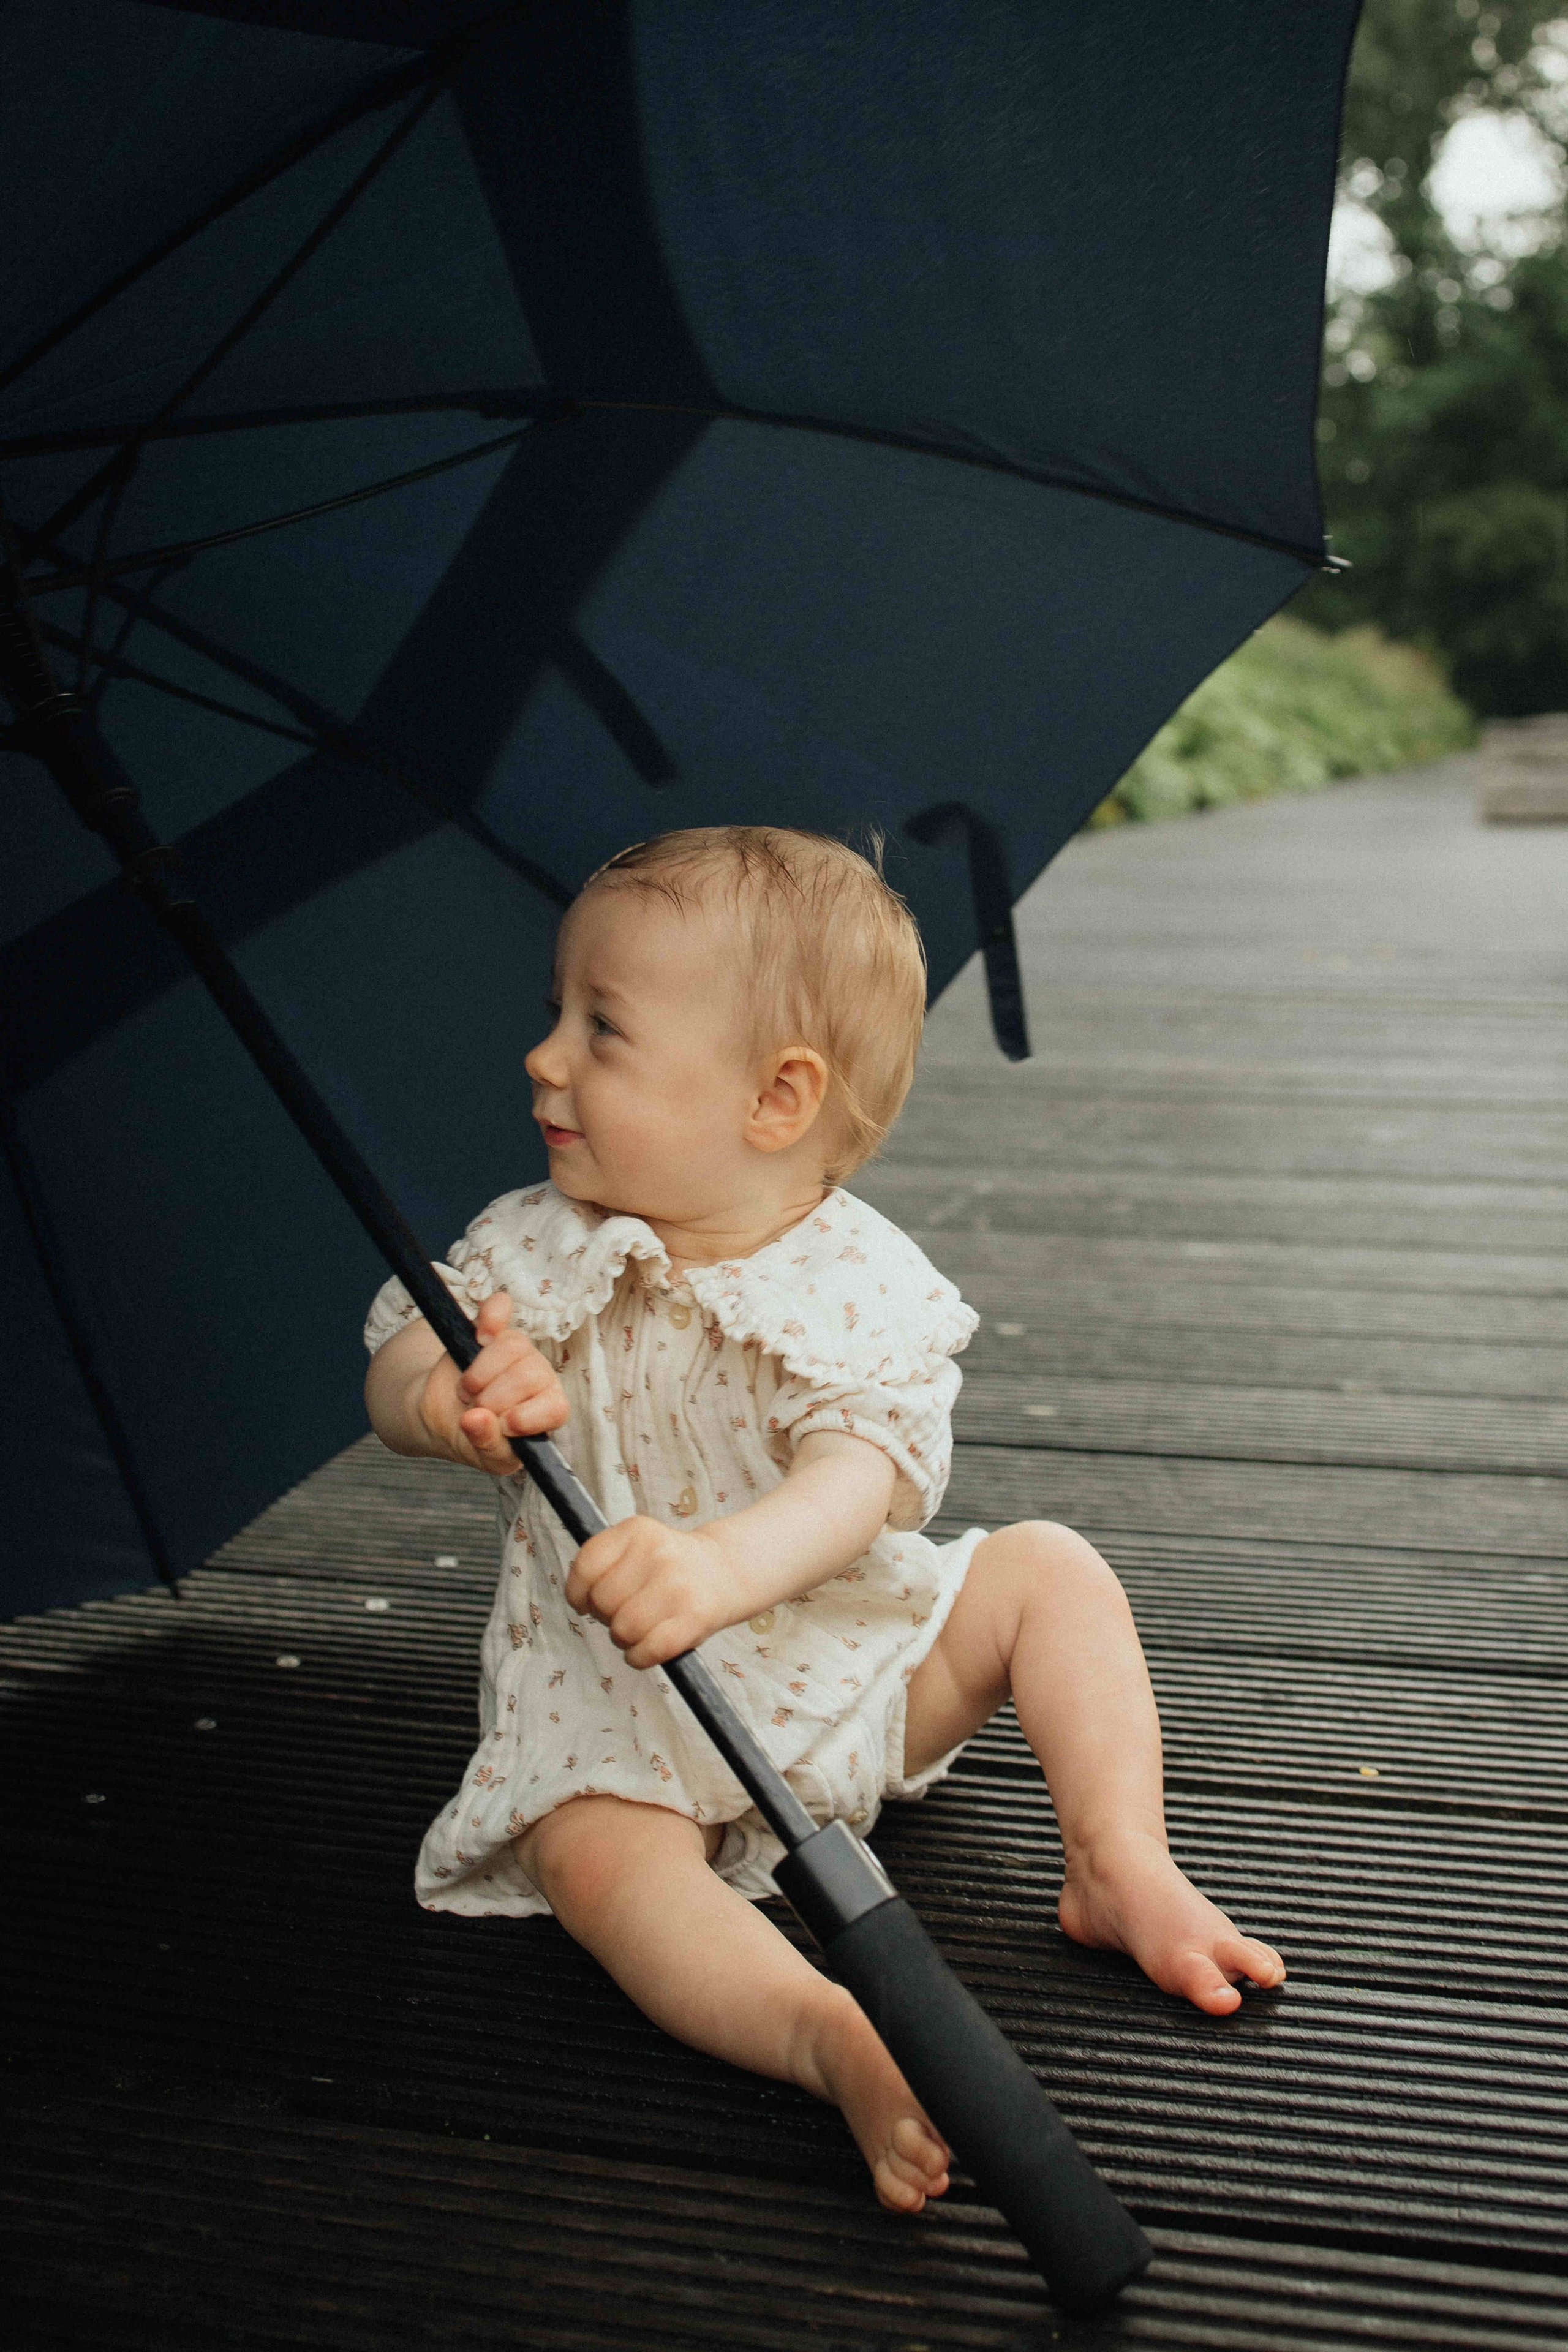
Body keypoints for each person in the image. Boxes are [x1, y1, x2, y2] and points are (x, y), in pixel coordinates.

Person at [363, 825, 1284, 2217]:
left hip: (846, 1671)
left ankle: (1118, 1859)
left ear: (777, 1097)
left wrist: (720, 1567)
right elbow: (395, 1362)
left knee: (1049, 1569)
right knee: (595, 1857)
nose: (544, 1058)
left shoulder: (851, 1279)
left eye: (601, 1028)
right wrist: (448, 1399)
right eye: (556, 1012)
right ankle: (822, 2030)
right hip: (618, 1717)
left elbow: (865, 1481)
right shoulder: (527, 1248)